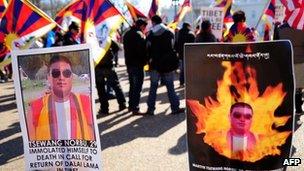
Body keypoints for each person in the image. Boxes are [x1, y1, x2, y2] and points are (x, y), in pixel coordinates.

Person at [27, 55, 95, 141]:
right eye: (56, 73)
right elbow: (30, 145)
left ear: (71, 76)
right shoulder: (35, 107)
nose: (61, 77)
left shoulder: (85, 102)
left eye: (66, 73)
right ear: (48, 77)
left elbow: (92, 136)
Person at [146, 15, 184, 115]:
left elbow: (147, 49)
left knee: (153, 87)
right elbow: (174, 46)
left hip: (154, 64)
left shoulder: (150, 34)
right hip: (167, 64)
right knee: (170, 86)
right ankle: (175, 108)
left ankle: (150, 109)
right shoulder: (169, 32)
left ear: (153, 22)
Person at [123, 18, 148, 115]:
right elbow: (142, 51)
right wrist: (145, 61)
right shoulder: (140, 35)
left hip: (129, 64)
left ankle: (130, 106)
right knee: (137, 87)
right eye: (144, 27)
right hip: (138, 64)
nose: (144, 29)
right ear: (142, 26)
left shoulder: (127, 34)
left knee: (132, 86)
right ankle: (135, 108)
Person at [95, 40, 126, 115]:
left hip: (98, 66)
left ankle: (104, 109)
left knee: (101, 89)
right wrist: (111, 55)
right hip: (107, 65)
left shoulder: (91, 37)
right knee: (115, 85)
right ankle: (122, 104)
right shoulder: (106, 37)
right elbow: (117, 47)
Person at [175, 22, 195, 87]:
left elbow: (176, 43)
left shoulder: (179, 33)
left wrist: (177, 52)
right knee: (189, 69)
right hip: (190, 54)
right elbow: (194, 45)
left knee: (182, 69)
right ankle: (189, 83)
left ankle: (181, 82)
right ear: (188, 26)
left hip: (181, 54)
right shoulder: (191, 34)